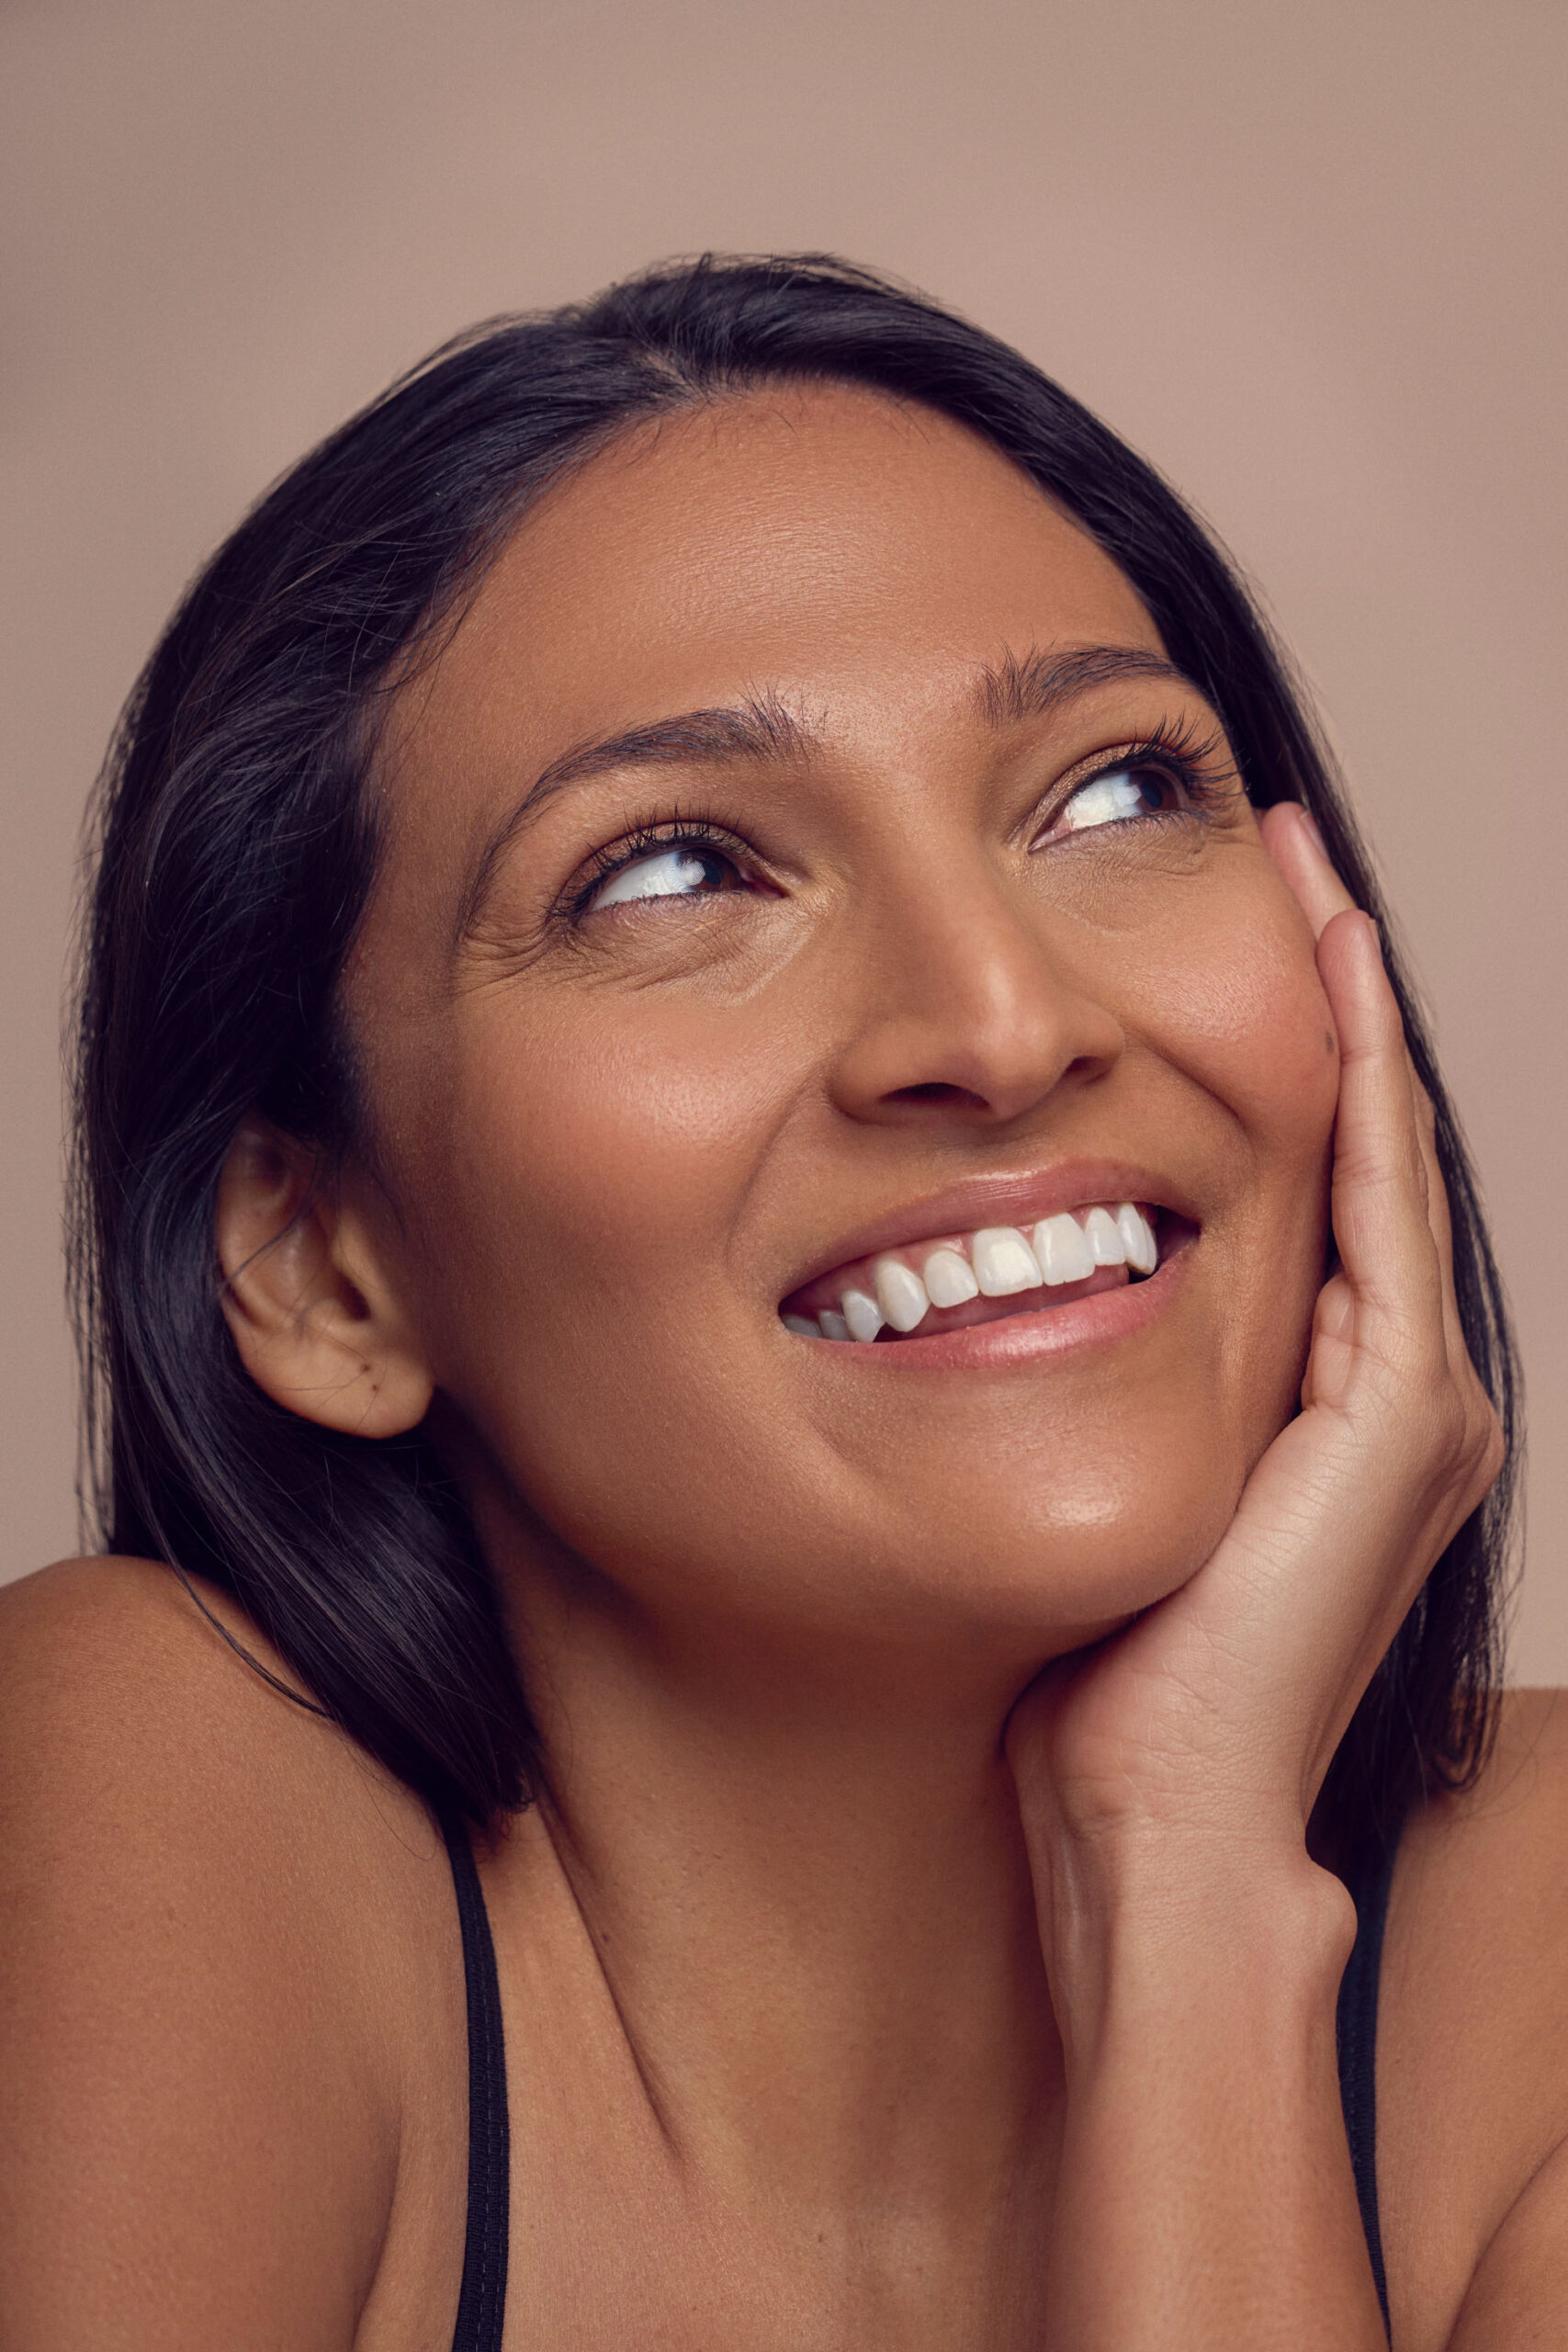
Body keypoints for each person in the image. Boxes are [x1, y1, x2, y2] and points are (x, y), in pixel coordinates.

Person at [0, 254, 1558, 2349]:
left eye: (1112, 791)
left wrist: (1189, 1904)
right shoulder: (155, 1794)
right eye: (671, 872)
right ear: (321, 1261)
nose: (997, 1024)